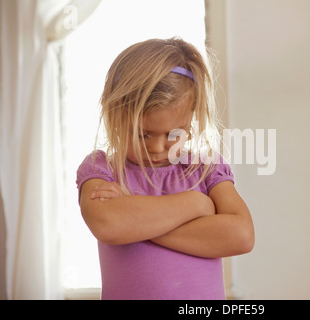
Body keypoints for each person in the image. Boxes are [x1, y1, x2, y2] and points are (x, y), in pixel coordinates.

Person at [76, 38, 254, 300]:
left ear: (191, 117)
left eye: (174, 134)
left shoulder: (204, 169)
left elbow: (241, 236)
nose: (159, 147)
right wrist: (194, 205)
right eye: (143, 134)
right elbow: (109, 225)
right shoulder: (102, 169)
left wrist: (135, 220)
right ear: (115, 115)